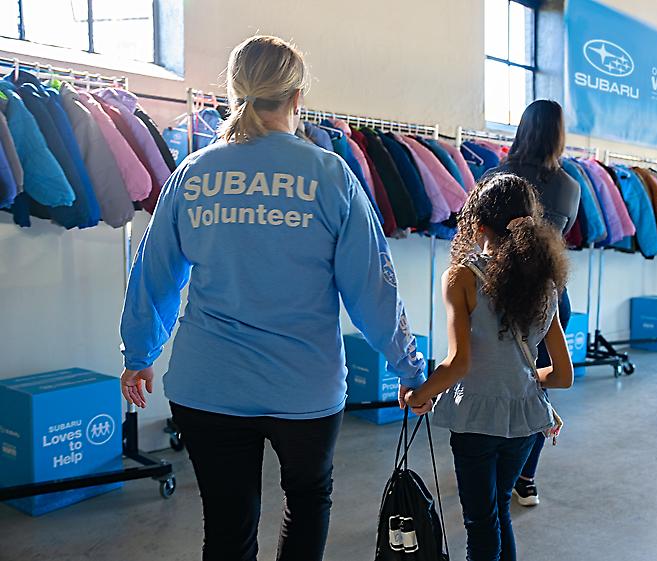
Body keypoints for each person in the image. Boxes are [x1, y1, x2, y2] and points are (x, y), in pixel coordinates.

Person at [118, 35, 425, 561]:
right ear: (297, 96)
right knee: (307, 503)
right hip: (304, 388)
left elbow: (154, 273)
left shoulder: (194, 174)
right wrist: (410, 368)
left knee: (227, 526)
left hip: (208, 383)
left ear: (233, 93)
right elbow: (373, 288)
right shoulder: (331, 176)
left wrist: (140, 352)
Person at [405, 173, 574, 561]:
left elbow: (458, 363)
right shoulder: (547, 283)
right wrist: (522, 378)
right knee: (499, 510)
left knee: (481, 523)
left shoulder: (462, 276)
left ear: (479, 225)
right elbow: (562, 375)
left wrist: (419, 394)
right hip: (525, 419)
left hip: (475, 420)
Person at [487, 99, 580, 506]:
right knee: (535, 390)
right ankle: (525, 477)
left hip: (494, 299)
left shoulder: (494, 178)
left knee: (488, 383)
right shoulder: (570, 186)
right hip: (548, 301)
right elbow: (557, 243)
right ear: (559, 135)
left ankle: (490, 470)